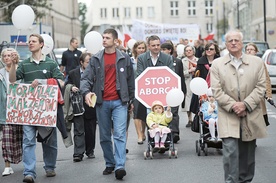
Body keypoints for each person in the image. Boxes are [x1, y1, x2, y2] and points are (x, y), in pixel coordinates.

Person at [211, 29, 267, 183]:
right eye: (230, 41)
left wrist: (246, 104)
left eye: (237, 40)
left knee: (247, 155)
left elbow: (261, 86)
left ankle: (245, 180)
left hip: (250, 114)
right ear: (226, 44)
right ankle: (231, 181)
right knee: (230, 151)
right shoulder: (217, 64)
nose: (234, 43)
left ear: (242, 43)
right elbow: (217, 90)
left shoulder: (256, 62)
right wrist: (234, 106)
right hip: (228, 114)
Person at [9, 34, 64, 183]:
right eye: (29, 41)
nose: (30, 43)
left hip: (46, 110)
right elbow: (12, 80)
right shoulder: (24, 64)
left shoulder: (51, 64)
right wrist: (14, 65)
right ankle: (29, 172)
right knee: (28, 140)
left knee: (49, 140)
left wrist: (42, 82)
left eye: (33, 41)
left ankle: (50, 166)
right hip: (29, 110)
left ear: (41, 44)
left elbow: (61, 82)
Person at [80, 28, 134, 180]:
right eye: (103, 37)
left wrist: (131, 100)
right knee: (104, 136)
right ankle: (110, 162)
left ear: (115, 41)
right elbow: (86, 79)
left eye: (107, 38)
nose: (103, 40)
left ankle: (120, 166)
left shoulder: (124, 58)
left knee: (119, 134)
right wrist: (86, 92)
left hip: (119, 102)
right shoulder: (96, 58)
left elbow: (131, 80)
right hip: (102, 102)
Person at [65, 52, 97, 162]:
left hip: (90, 105)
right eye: (88, 62)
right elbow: (66, 84)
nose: (90, 64)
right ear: (81, 62)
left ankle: (90, 150)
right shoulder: (73, 73)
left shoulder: (95, 72)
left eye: (91, 62)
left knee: (90, 129)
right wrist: (72, 87)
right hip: (77, 105)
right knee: (78, 130)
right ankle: (78, 153)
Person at [0, 48, 23, 176]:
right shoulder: (0, 73)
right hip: (5, 110)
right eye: (5, 56)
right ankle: (7, 166)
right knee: (7, 138)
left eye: (9, 55)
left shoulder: (20, 70)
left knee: (22, 138)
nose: (7, 58)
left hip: (20, 109)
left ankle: (27, 162)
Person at [160, 42, 186, 143]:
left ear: (169, 50)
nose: (162, 52)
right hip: (162, 91)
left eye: (164, 49)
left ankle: (175, 133)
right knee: (163, 112)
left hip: (174, 91)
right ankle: (164, 132)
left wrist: (183, 91)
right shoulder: (160, 61)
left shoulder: (178, 61)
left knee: (174, 112)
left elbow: (181, 77)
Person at [245, 43, 272, 127]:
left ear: (256, 52)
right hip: (245, 94)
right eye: (247, 49)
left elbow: (266, 79)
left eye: (251, 49)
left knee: (258, 121)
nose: (249, 51)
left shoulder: (260, 63)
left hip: (258, 94)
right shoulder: (242, 62)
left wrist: (268, 94)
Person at [190, 43, 220, 115]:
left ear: (215, 51)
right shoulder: (201, 61)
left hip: (216, 86)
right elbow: (197, 75)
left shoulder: (219, 61)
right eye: (207, 49)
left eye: (211, 49)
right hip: (203, 87)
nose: (209, 50)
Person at [131, 41, 147, 144]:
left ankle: (143, 131)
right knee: (136, 113)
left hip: (145, 90)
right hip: (135, 90)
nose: (141, 50)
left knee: (145, 112)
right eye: (139, 48)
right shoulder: (130, 61)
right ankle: (139, 135)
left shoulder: (147, 60)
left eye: (143, 48)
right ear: (135, 49)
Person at [182, 45, 199, 127]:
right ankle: (190, 119)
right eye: (187, 50)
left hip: (197, 81)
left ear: (193, 51)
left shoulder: (198, 60)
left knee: (198, 99)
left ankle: (198, 117)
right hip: (187, 82)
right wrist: (189, 71)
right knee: (188, 100)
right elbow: (181, 73)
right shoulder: (182, 61)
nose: (188, 52)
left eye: (190, 50)